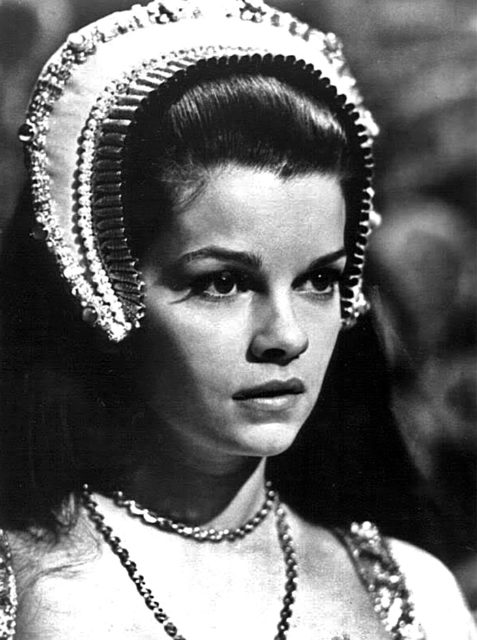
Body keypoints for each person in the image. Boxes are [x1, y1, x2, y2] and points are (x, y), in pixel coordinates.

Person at [0, 1, 474, 638]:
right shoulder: (25, 587)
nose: (287, 336)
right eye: (222, 283)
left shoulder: (416, 594)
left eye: (319, 281)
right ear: (105, 286)